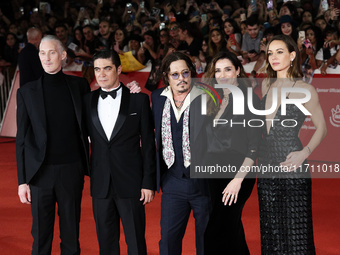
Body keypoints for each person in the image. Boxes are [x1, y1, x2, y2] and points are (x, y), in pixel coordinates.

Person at [16, 35, 90, 254]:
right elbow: (21, 138)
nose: (46, 58)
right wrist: (22, 181)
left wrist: (130, 91)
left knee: (70, 235)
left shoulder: (79, 86)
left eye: (51, 52)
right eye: (42, 53)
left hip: (71, 171)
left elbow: (99, 110)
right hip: (40, 174)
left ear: (63, 56)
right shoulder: (26, 92)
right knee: (40, 236)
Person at [257, 34, 327, 254]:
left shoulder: (305, 89)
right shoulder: (266, 84)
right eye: (270, 53)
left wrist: (303, 153)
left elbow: (322, 128)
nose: (274, 57)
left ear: (293, 55)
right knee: (271, 230)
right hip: (266, 166)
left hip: (292, 165)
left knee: (296, 231)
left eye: (280, 52)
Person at [83, 49, 156, 255]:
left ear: (119, 69)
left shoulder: (138, 101)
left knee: (135, 243)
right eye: (97, 69)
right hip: (100, 185)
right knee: (106, 244)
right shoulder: (87, 101)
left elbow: (149, 145)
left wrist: (148, 182)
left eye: (107, 68)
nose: (102, 74)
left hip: (131, 184)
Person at [151, 52, 210, 255]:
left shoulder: (206, 97)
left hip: (204, 184)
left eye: (185, 73)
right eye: (175, 74)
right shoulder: (157, 99)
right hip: (172, 182)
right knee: (167, 242)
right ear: (166, 76)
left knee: (207, 242)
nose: (181, 78)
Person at [202, 51, 261, 254]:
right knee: (231, 228)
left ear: (237, 70)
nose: (222, 75)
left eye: (228, 69)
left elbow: (255, 145)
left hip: (237, 173)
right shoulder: (212, 98)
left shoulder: (250, 99)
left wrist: (238, 180)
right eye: (218, 70)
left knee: (215, 232)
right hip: (213, 172)